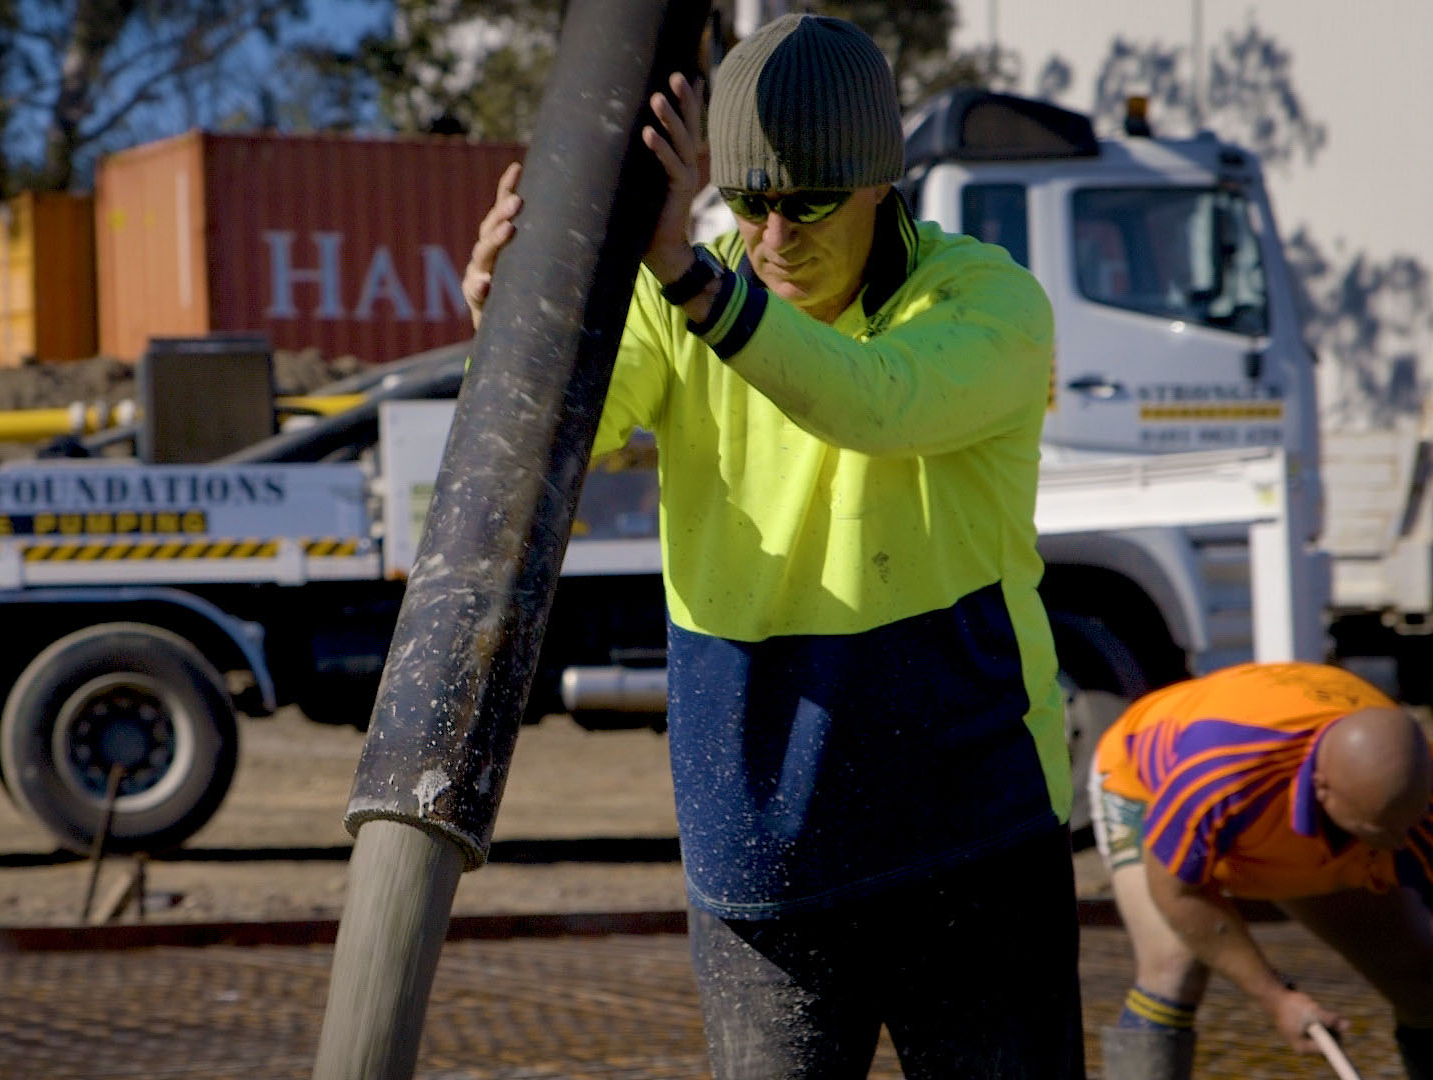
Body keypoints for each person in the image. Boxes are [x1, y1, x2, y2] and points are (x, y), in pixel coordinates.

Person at [462, 14, 1082, 1079]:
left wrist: (702, 287)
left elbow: (876, 404)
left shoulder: (987, 301)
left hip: (972, 828)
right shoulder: (683, 302)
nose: (775, 238)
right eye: (749, 204)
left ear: (882, 180)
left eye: (806, 204)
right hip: (765, 839)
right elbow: (579, 428)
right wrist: (512, 325)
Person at [1091, 661, 1433, 1080]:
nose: (1398, 843)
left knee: (1421, 979)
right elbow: (1178, 893)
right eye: (1379, 831)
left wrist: (1381, 830)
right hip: (1144, 781)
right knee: (1174, 967)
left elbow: (1398, 832)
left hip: (1279, 817)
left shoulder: (1408, 789)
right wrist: (1276, 998)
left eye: (1406, 827)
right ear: (1323, 789)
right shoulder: (1218, 772)